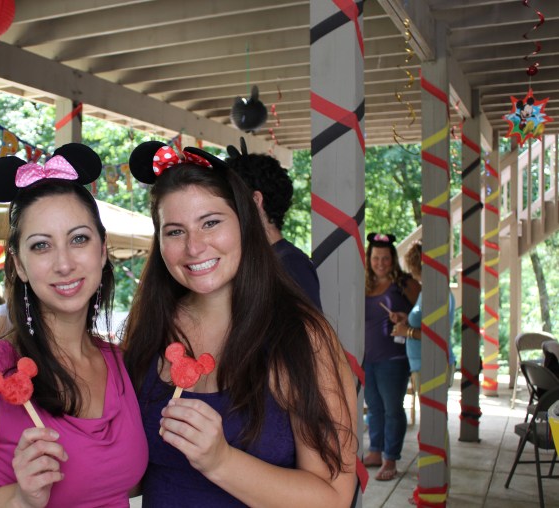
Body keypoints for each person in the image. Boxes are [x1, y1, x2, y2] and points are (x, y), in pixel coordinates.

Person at [0, 144, 148, 508]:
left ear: (102, 250)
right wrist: (17, 499)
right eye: (41, 246)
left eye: (79, 239)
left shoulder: (122, 363)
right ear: (19, 264)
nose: (64, 263)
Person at [122, 141, 357, 507]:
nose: (194, 246)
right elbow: (133, 477)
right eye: (175, 231)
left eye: (210, 223)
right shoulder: (147, 330)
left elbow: (334, 498)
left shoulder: (301, 337)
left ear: (246, 223)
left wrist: (221, 461)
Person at [226, 139, 322, 309]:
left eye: (231, 198)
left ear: (255, 200)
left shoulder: (291, 264)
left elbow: (310, 325)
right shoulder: (258, 259)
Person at [363, 232, 420, 481]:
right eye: (376, 258)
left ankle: (390, 459)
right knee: (374, 407)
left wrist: (405, 319)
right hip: (368, 358)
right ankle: (375, 451)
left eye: (385, 258)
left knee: (392, 409)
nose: (380, 263)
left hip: (394, 359)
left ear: (393, 259)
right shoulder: (364, 284)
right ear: (369, 259)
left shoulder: (405, 284)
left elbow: (425, 313)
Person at [390, 241, 456, 391]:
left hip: (431, 364)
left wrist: (406, 331)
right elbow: (425, 321)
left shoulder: (435, 293)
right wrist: (406, 319)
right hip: (422, 364)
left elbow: (437, 334)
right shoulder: (428, 291)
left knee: (431, 406)